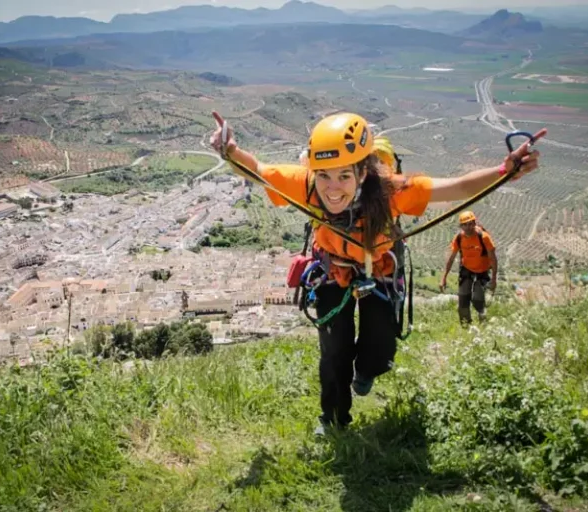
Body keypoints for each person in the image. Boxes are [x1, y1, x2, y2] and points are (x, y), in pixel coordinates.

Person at [209, 110, 546, 434]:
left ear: (363, 173)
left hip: (379, 270)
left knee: (380, 347)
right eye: (324, 176)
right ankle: (333, 419)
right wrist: (231, 151)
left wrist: (506, 169)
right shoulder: (307, 184)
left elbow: (456, 187)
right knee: (333, 352)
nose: (332, 189)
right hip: (331, 270)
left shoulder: (389, 190)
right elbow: (260, 171)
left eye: (344, 176)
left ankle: (367, 370)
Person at [440, 211, 497, 325]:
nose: (468, 227)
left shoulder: (484, 237)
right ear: (461, 226)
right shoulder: (459, 238)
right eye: (464, 224)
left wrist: (494, 279)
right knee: (463, 300)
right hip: (466, 270)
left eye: (470, 224)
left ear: (474, 223)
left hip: (482, 272)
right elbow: (451, 258)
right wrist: (444, 277)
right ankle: (466, 326)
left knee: (478, 300)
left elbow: (493, 259)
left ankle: (483, 324)